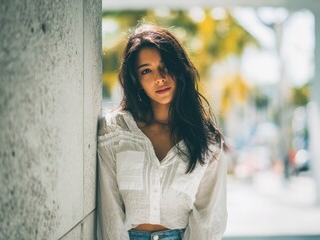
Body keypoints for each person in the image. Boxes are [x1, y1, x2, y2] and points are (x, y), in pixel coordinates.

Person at [97, 23, 227, 240]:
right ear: (136, 80)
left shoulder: (207, 142)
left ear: (180, 69)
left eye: (165, 65)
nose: (159, 77)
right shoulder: (115, 131)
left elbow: (209, 219)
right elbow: (109, 210)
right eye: (146, 70)